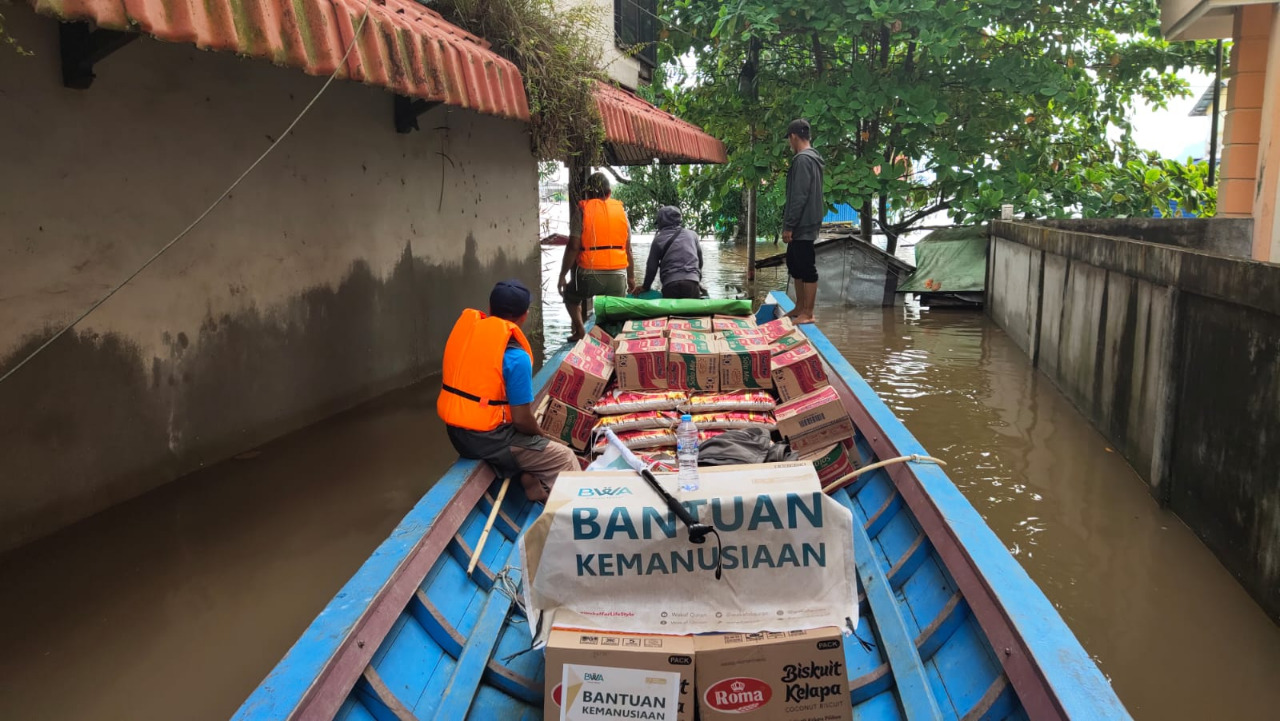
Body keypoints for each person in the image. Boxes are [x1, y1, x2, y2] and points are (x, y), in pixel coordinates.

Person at [437, 280, 578, 503]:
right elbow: (522, 421)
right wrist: (544, 438)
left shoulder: (468, 338)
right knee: (565, 457)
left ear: (490, 309)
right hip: (486, 439)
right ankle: (573, 518)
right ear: (524, 316)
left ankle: (529, 479)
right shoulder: (516, 357)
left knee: (528, 434)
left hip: (456, 432)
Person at [558, 172, 634, 341]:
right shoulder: (621, 212)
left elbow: (573, 247)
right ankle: (615, 338)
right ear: (609, 193)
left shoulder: (582, 211)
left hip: (588, 275)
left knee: (570, 297)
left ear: (588, 193)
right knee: (617, 307)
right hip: (618, 276)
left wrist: (562, 275)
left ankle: (579, 330)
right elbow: (628, 250)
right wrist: (631, 277)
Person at [782, 118, 825, 324]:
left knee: (806, 266)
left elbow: (799, 195)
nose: (790, 144)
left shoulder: (802, 160)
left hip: (802, 223)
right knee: (794, 262)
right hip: (807, 220)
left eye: (789, 140)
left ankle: (808, 312)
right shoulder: (813, 159)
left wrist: (790, 225)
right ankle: (799, 306)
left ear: (793, 136)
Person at [640, 205, 703, 299]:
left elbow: (651, 268)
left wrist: (645, 287)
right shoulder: (692, 235)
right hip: (692, 282)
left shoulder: (658, 240)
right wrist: (696, 279)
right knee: (691, 313)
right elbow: (700, 261)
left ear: (661, 222)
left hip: (670, 283)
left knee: (672, 312)